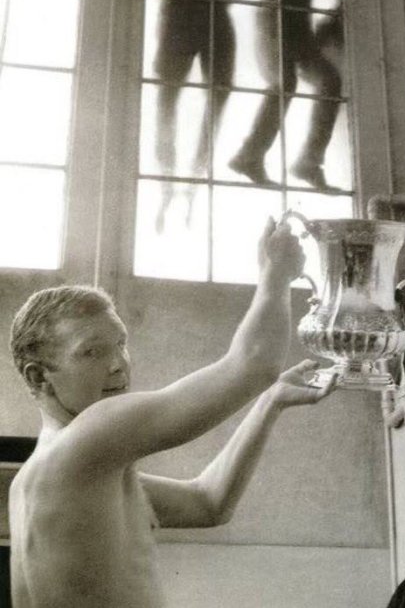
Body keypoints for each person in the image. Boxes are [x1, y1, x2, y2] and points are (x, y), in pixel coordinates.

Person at [8, 219, 337, 608]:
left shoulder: (67, 472)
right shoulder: (86, 439)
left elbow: (209, 503)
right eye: (92, 351)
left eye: (121, 344)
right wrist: (276, 275)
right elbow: (253, 364)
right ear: (38, 376)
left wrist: (270, 402)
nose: (118, 365)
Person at [229, 0, 342, 189]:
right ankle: (249, 156)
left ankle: (308, 161)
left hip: (300, 27)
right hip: (272, 21)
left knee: (330, 81)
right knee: (284, 84)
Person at [147, 0, 242, 228]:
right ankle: (165, 186)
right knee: (166, 104)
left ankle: (193, 186)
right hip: (176, 20)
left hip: (215, 17)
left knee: (217, 100)